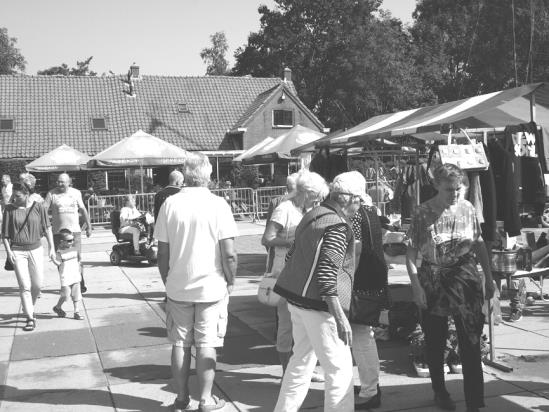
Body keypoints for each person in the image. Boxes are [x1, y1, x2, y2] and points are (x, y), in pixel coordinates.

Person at [273, 171, 366, 412]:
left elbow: (292, 255)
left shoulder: (312, 214)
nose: (359, 206)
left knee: (300, 363)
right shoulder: (336, 224)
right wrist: (339, 316)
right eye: (359, 200)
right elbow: (327, 273)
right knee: (340, 370)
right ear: (347, 198)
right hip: (319, 306)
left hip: (296, 299)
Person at [405, 163, 495, 412]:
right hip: (433, 280)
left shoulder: (467, 208)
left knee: (471, 338)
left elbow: (478, 244)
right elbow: (411, 253)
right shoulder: (423, 213)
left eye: (458, 189)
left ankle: (475, 402)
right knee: (435, 339)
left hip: (465, 279)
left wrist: (488, 277)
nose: (454, 194)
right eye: (448, 190)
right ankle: (440, 391)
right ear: (436, 185)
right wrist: (416, 287)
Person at [154, 152, 237, 412]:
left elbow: (162, 252)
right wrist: (230, 280)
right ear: (209, 175)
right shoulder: (219, 204)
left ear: (186, 174)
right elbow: (230, 253)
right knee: (206, 344)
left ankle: (181, 399)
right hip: (211, 286)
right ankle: (205, 399)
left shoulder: (170, 204)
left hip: (179, 285)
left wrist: (168, 279)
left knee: (180, 344)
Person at [261, 170, 329, 380]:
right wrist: (296, 241)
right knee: (287, 324)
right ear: (305, 192)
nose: (318, 200)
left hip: (305, 270)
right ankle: (286, 371)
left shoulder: (310, 208)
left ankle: (306, 369)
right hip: (285, 271)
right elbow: (267, 239)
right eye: (316, 195)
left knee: (308, 323)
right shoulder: (285, 209)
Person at [349, 193, 388, 410]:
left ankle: (370, 390)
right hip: (370, 280)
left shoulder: (356, 214)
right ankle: (370, 386)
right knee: (364, 336)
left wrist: (348, 279)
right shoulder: (370, 211)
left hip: (360, 283)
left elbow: (355, 248)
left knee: (361, 337)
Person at [2, 182, 56, 332]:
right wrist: (8, 252)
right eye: (13, 195)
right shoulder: (9, 209)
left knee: (37, 285)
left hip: (36, 249)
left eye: (17, 196)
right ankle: (30, 317)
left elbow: (47, 228)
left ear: (26, 195)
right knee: (24, 286)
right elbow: (5, 235)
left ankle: (29, 308)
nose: (13, 198)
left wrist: (51, 247)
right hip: (17, 251)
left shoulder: (38, 207)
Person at [44, 173, 91, 293]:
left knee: (77, 259)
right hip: (58, 233)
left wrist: (89, 226)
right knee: (61, 260)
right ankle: (65, 283)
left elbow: (83, 209)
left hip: (74, 231)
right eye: (58, 181)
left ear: (69, 182)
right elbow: (43, 210)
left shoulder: (76, 193)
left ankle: (80, 282)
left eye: (62, 182)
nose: (59, 184)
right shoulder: (51, 194)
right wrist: (45, 226)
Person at [52, 228, 84, 320]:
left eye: (73, 239)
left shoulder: (75, 249)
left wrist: (79, 270)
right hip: (65, 277)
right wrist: (53, 259)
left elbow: (79, 260)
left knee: (76, 295)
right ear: (62, 242)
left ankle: (76, 312)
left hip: (75, 275)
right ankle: (57, 307)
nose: (72, 242)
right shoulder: (59, 252)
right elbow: (58, 263)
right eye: (69, 240)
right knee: (65, 295)